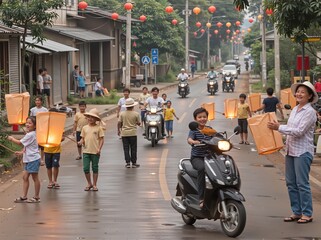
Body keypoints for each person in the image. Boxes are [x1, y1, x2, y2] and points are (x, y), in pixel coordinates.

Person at [267, 81, 317, 224]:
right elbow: (290, 128)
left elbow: (299, 131)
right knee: (291, 183)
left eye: (303, 92)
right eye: (298, 91)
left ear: (309, 96)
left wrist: (279, 127)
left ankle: (307, 214)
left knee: (302, 184)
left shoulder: (310, 112)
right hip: (291, 150)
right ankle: (296, 212)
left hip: (303, 152)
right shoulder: (295, 109)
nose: (299, 94)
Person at [7, 116, 41, 203]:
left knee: (35, 178)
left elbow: (19, 143)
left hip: (33, 159)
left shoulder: (30, 134)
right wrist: (22, 152)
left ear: (35, 125)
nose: (27, 124)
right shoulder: (31, 134)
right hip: (29, 159)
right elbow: (28, 146)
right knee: (25, 177)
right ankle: (24, 196)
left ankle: (36, 197)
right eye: (27, 123)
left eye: (30, 123)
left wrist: (11, 138)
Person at [187, 108, 213, 208]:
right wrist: (193, 142)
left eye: (204, 117)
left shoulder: (209, 129)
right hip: (197, 158)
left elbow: (217, 137)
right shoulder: (194, 130)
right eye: (200, 117)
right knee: (202, 169)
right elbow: (189, 139)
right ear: (195, 119)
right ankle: (201, 197)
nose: (202, 119)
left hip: (209, 157)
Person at [78, 108, 105, 191]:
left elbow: (101, 139)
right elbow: (83, 138)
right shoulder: (84, 128)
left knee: (95, 168)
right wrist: (80, 142)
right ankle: (89, 183)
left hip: (95, 151)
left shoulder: (99, 128)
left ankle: (95, 184)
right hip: (86, 151)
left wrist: (99, 149)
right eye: (89, 117)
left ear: (96, 119)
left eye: (92, 117)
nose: (90, 118)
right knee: (86, 168)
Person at [44, 109, 64, 189]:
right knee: (48, 166)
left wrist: (59, 139)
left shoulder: (59, 126)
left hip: (56, 150)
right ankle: (50, 181)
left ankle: (55, 180)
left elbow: (62, 137)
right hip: (47, 150)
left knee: (55, 165)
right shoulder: (45, 126)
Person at [118, 98, 141, 168]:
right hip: (133, 133)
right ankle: (134, 163)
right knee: (133, 148)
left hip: (124, 133)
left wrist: (119, 130)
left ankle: (127, 163)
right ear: (133, 106)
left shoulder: (122, 114)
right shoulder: (136, 114)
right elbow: (139, 123)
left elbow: (119, 123)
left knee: (126, 148)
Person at [30, 95, 48, 166]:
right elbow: (30, 119)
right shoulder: (33, 110)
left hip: (42, 129)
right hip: (35, 129)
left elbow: (46, 119)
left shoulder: (45, 110)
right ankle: (36, 159)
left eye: (38, 100)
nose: (37, 102)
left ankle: (42, 159)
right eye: (36, 100)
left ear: (41, 102)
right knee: (35, 144)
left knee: (42, 145)